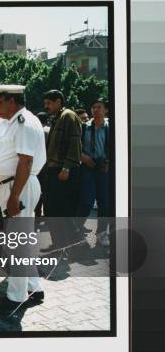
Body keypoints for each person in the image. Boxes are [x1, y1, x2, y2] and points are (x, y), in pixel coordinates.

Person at [0, 84, 47, 308]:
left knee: (17, 244)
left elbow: (26, 161)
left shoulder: (23, 122)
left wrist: (14, 197)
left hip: (18, 187)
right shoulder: (14, 122)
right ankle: (34, 286)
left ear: (11, 101)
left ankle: (16, 297)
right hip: (15, 185)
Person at [43, 89, 82, 248]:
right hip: (53, 170)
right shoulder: (57, 118)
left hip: (62, 171)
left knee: (61, 210)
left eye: (49, 103)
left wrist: (66, 167)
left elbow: (74, 143)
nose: (46, 106)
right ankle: (59, 243)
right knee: (52, 209)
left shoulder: (68, 116)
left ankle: (72, 243)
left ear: (58, 101)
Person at [77, 98, 111, 246]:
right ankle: (76, 232)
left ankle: (101, 233)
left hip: (103, 168)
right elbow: (75, 146)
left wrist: (109, 161)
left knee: (105, 203)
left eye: (99, 107)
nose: (95, 110)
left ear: (106, 110)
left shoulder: (110, 127)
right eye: (93, 107)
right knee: (86, 201)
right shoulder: (84, 127)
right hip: (88, 167)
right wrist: (83, 157)